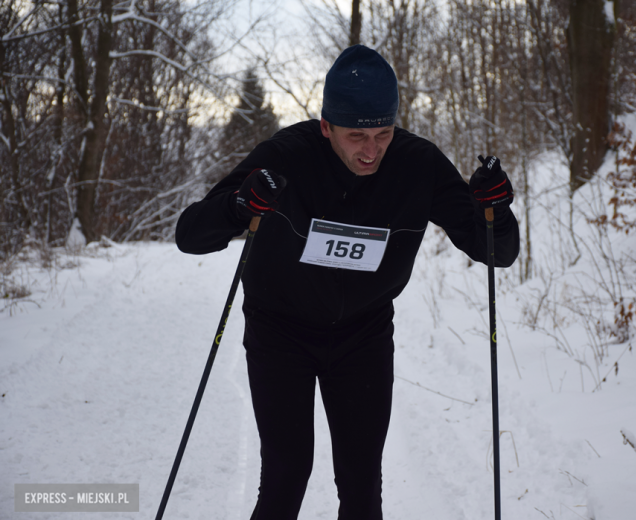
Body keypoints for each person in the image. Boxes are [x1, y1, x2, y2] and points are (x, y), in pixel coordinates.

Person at [176, 44, 520, 520]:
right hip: (280, 332)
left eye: (383, 133)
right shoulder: (286, 158)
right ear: (326, 127)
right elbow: (190, 235)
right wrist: (237, 205)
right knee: (286, 474)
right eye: (357, 135)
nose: (371, 150)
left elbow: (496, 252)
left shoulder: (417, 164)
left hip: (363, 334)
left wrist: (495, 212)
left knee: (361, 485)